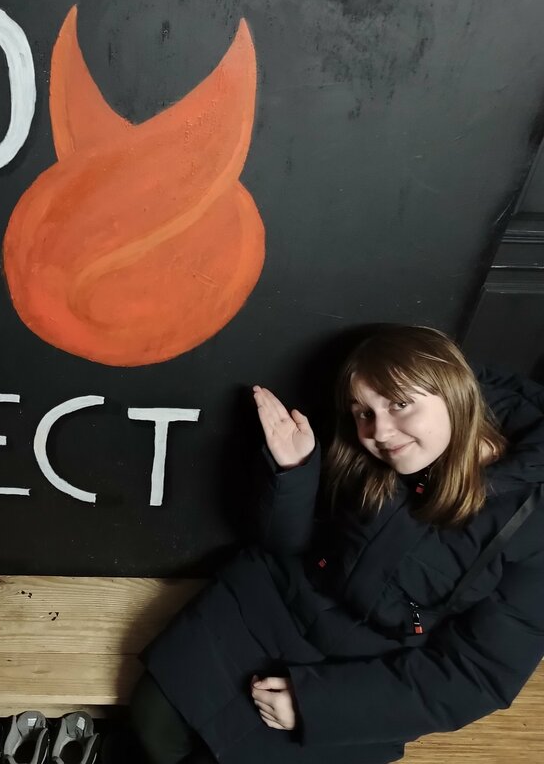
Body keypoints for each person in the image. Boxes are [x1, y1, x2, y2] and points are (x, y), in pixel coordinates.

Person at [131, 325, 544, 764]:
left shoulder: (530, 517)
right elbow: (284, 544)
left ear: (455, 395)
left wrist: (317, 705)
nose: (380, 431)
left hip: (372, 672)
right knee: (152, 724)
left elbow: (478, 673)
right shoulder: (366, 446)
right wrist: (295, 471)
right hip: (269, 608)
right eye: (363, 412)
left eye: (400, 404)